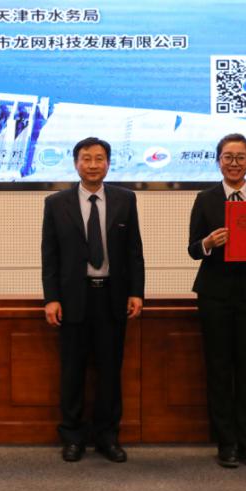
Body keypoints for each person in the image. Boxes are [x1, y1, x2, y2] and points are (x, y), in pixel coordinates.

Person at [41, 137, 145, 463]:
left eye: (99, 158)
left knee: (110, 372)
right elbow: (50, 255)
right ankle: (72, 437)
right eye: (86, 158)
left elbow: (134, 251)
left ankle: (107, 437)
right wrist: (51, 298)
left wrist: (136, 292)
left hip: (112, 297)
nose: (93, 164)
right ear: (76, 163)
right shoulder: (56, 203)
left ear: (108, 163)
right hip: (73, 298)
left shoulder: (125, 199)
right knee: (72, 371)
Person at [187, 133, 246, 469]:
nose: (234, 163)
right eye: (228, 157)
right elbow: (193, 249)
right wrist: (208, 242)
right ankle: (226, 443)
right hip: (214, 294)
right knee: (218, 368)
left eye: (241, 157)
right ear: (218, 161)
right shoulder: (205, 199)